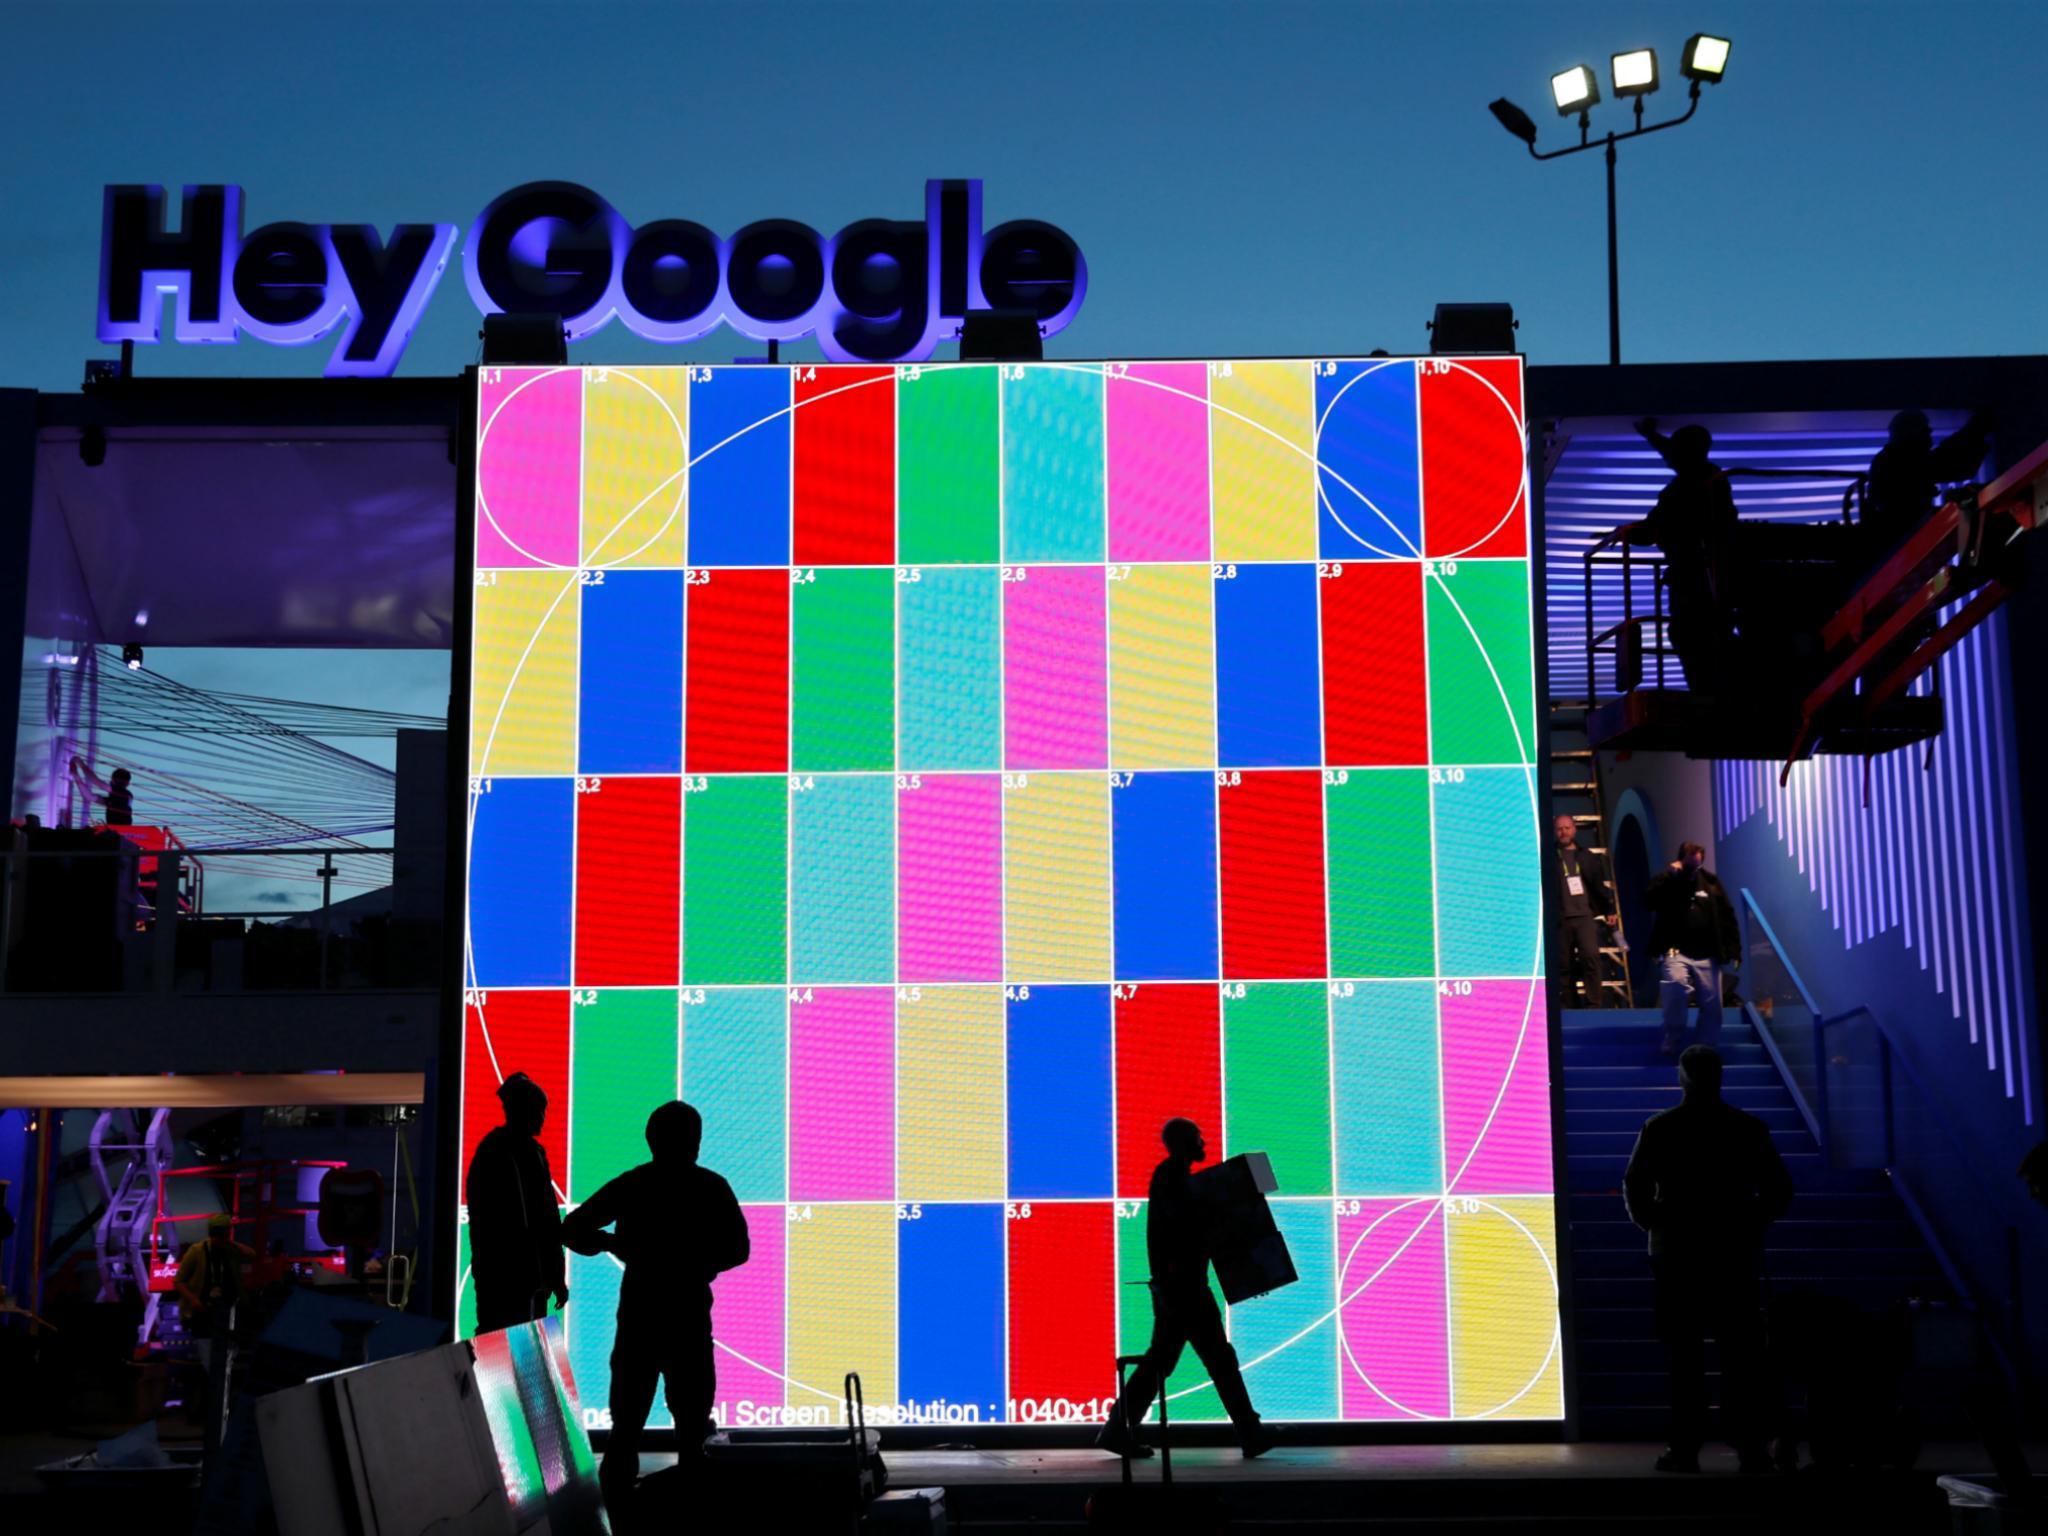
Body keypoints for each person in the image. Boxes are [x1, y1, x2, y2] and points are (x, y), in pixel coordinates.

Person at [562, 1101, 749, 1503]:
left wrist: (617, 1246)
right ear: (693, 1142)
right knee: (689, 1427)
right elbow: (738, 1249)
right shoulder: (710, 1186)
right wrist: (696, 1263)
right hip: (686, 1315)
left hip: (642, 1315)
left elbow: (574, 1228)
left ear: (652, 1140)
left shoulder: (635, 1184)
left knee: (626, 1429)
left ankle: (616, 1515)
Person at [1624, 1045, 1793, 1474]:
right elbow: (1778, 1188)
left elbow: (1636, 1184)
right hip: (1733, 1253)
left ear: (1682, 1078)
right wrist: (1751, 1221)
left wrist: (1655, 1226)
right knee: (1741, 1356)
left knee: (1684, 1357)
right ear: (1720, 1078)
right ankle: (1750, 1448)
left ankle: (1685, 1448)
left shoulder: (1661, 1128)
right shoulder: (1747, 1128)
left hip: (1677, 1254)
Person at [1099, 1118, 1276, 1460]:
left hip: (1177, 1289)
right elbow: (1196, 1228)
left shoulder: (1171, 1178)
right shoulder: (1174, 1181)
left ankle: (1116, 1429)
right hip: (1186, 1290)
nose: (1204, 1144)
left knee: (1164, 1362)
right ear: (1183, 1143)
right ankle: (1250, 1433)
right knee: (1217, 1360)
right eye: (1198, 1138)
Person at [1635, 418, 1740, 694]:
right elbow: (1672, 453)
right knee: (1703, 637)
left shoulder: (1684, 489)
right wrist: (1651, 435)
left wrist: (1626, 534)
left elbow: (1653, 528)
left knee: (1689, 637)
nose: (1671, 457)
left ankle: (1705, 695)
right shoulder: (1710, 478)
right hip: (1710, 579)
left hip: (1692, 581)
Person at [465, 1071, 567, 1332]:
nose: (543, 1118)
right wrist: (552, 1274)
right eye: (539, 1110)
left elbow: (546, 1218)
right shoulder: (504, 1152)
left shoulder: (519, 1151)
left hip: (522, 1279)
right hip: (511, 1280)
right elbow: (540, 1219)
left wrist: (554, 1275)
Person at [1645, 843, 1740, 1056]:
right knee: (1676, 987)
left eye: (1697, 865)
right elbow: (1649, 901)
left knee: (1713, 1005)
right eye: (1689, 865)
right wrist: (1669, 877)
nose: (1692, 870)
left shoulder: (1712, 884)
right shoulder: (1668, 881)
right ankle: (1673, 1035)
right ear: (1682, 859)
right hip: (1675, 950)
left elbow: (1727, 918)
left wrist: (1734, 950)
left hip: (1707, 953)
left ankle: (1704, 1048)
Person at [175, 1212, 257, 1458]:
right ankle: (212, 1412)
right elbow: (179, 1281)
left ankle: (222, 1410)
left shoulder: (229, 1251)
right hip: (203, 1315)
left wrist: (231, 1243)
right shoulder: (198, 1253)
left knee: (227, 1364)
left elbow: (250, 1254)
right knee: (212, 1365)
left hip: (226, 1314)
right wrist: (195, 1301)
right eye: (221, 1236)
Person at [1862, 408, 1993, 557]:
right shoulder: (1900, 461)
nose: (1930, 433)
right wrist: (1974, 431)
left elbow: (1943, 458)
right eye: (1925, 430)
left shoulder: (1894, 458)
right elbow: (1947, 464)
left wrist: (1972, 433)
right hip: (1907, 537)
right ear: (1911, 434)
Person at [1553, 813, 1617, 1008]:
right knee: (1564, 965)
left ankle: (1593, 1003)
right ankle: (1569, 1005)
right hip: (1560, 918)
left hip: (1584, 917)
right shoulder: (1549, 858)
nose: (1563, 832)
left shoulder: (1586, 856)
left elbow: (1598, 885)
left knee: (1590, 957)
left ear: (1575, 829)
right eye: (1559, 828)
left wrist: (1609, 910)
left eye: (1567, 827)